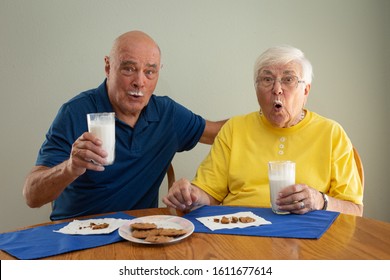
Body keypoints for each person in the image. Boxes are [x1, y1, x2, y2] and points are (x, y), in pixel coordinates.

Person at [23, 30, 226, 220]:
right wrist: (70, 167)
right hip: (78, 234)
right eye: (129, 69)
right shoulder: (76, 112)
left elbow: (220, 132)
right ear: (108, 67)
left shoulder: (167, 114)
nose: (139, 81)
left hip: (139, 235)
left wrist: (259, 113)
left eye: (149, 72)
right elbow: (32, 196)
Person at [163, 45, 363, 216]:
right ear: (256, 89)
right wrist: (190, 195)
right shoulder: (235, 129)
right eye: (267, 79)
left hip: (306, 242)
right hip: (240, 234)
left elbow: (354, 209)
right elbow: (210, 194)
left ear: (306, 91)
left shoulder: (331, 133)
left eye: (288, 79)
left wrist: (320, 201)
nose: (277, 89)